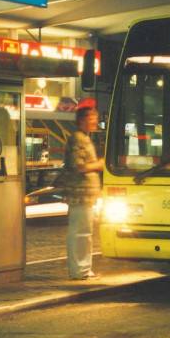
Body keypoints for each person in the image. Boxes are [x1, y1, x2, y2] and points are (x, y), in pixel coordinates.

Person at [64, 99, 104, 280]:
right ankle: (80, 270)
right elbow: (78, 165)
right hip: (80, 194)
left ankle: (84, 269)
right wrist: (99, 164)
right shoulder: (78, 138)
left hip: (86, 195)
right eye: (92, 118)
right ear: (82, 120)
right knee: (81, 233)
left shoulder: (84, 137)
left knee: (85, 233)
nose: (95, 121)